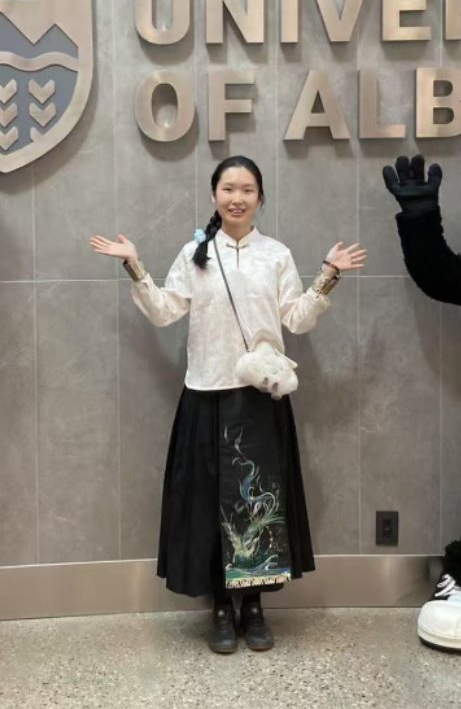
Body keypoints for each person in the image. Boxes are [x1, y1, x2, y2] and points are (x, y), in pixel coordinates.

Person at [91, 156, 366, 654]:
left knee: (257, 505)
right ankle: (220, 606)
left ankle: (254, 606)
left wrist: (328, 276)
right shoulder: (195, 253)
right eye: (228, 189)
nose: (237, 198)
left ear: (260, 198)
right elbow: (164, 311)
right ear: (214, 195)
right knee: (209, 504)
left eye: (247, 189)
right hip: (206, 394)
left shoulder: (276, 255)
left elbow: (297, 320)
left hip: (260, 398)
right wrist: (134, 265)